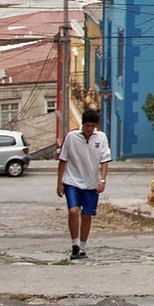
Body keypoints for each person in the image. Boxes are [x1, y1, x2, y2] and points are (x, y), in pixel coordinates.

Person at [57, 108, 112, 261]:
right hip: (72, 180)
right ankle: (74, 244)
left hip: (91, 182)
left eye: (92, 126)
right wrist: (60, 183)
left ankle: (82, 246)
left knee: (87, 215)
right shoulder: (71, 137)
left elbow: (105, 160)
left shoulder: (101, 138)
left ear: (96, 126)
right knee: (74, 211)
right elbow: (63, 160)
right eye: (87, 125)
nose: (89, 129)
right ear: (83, 124)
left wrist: (102, 180)